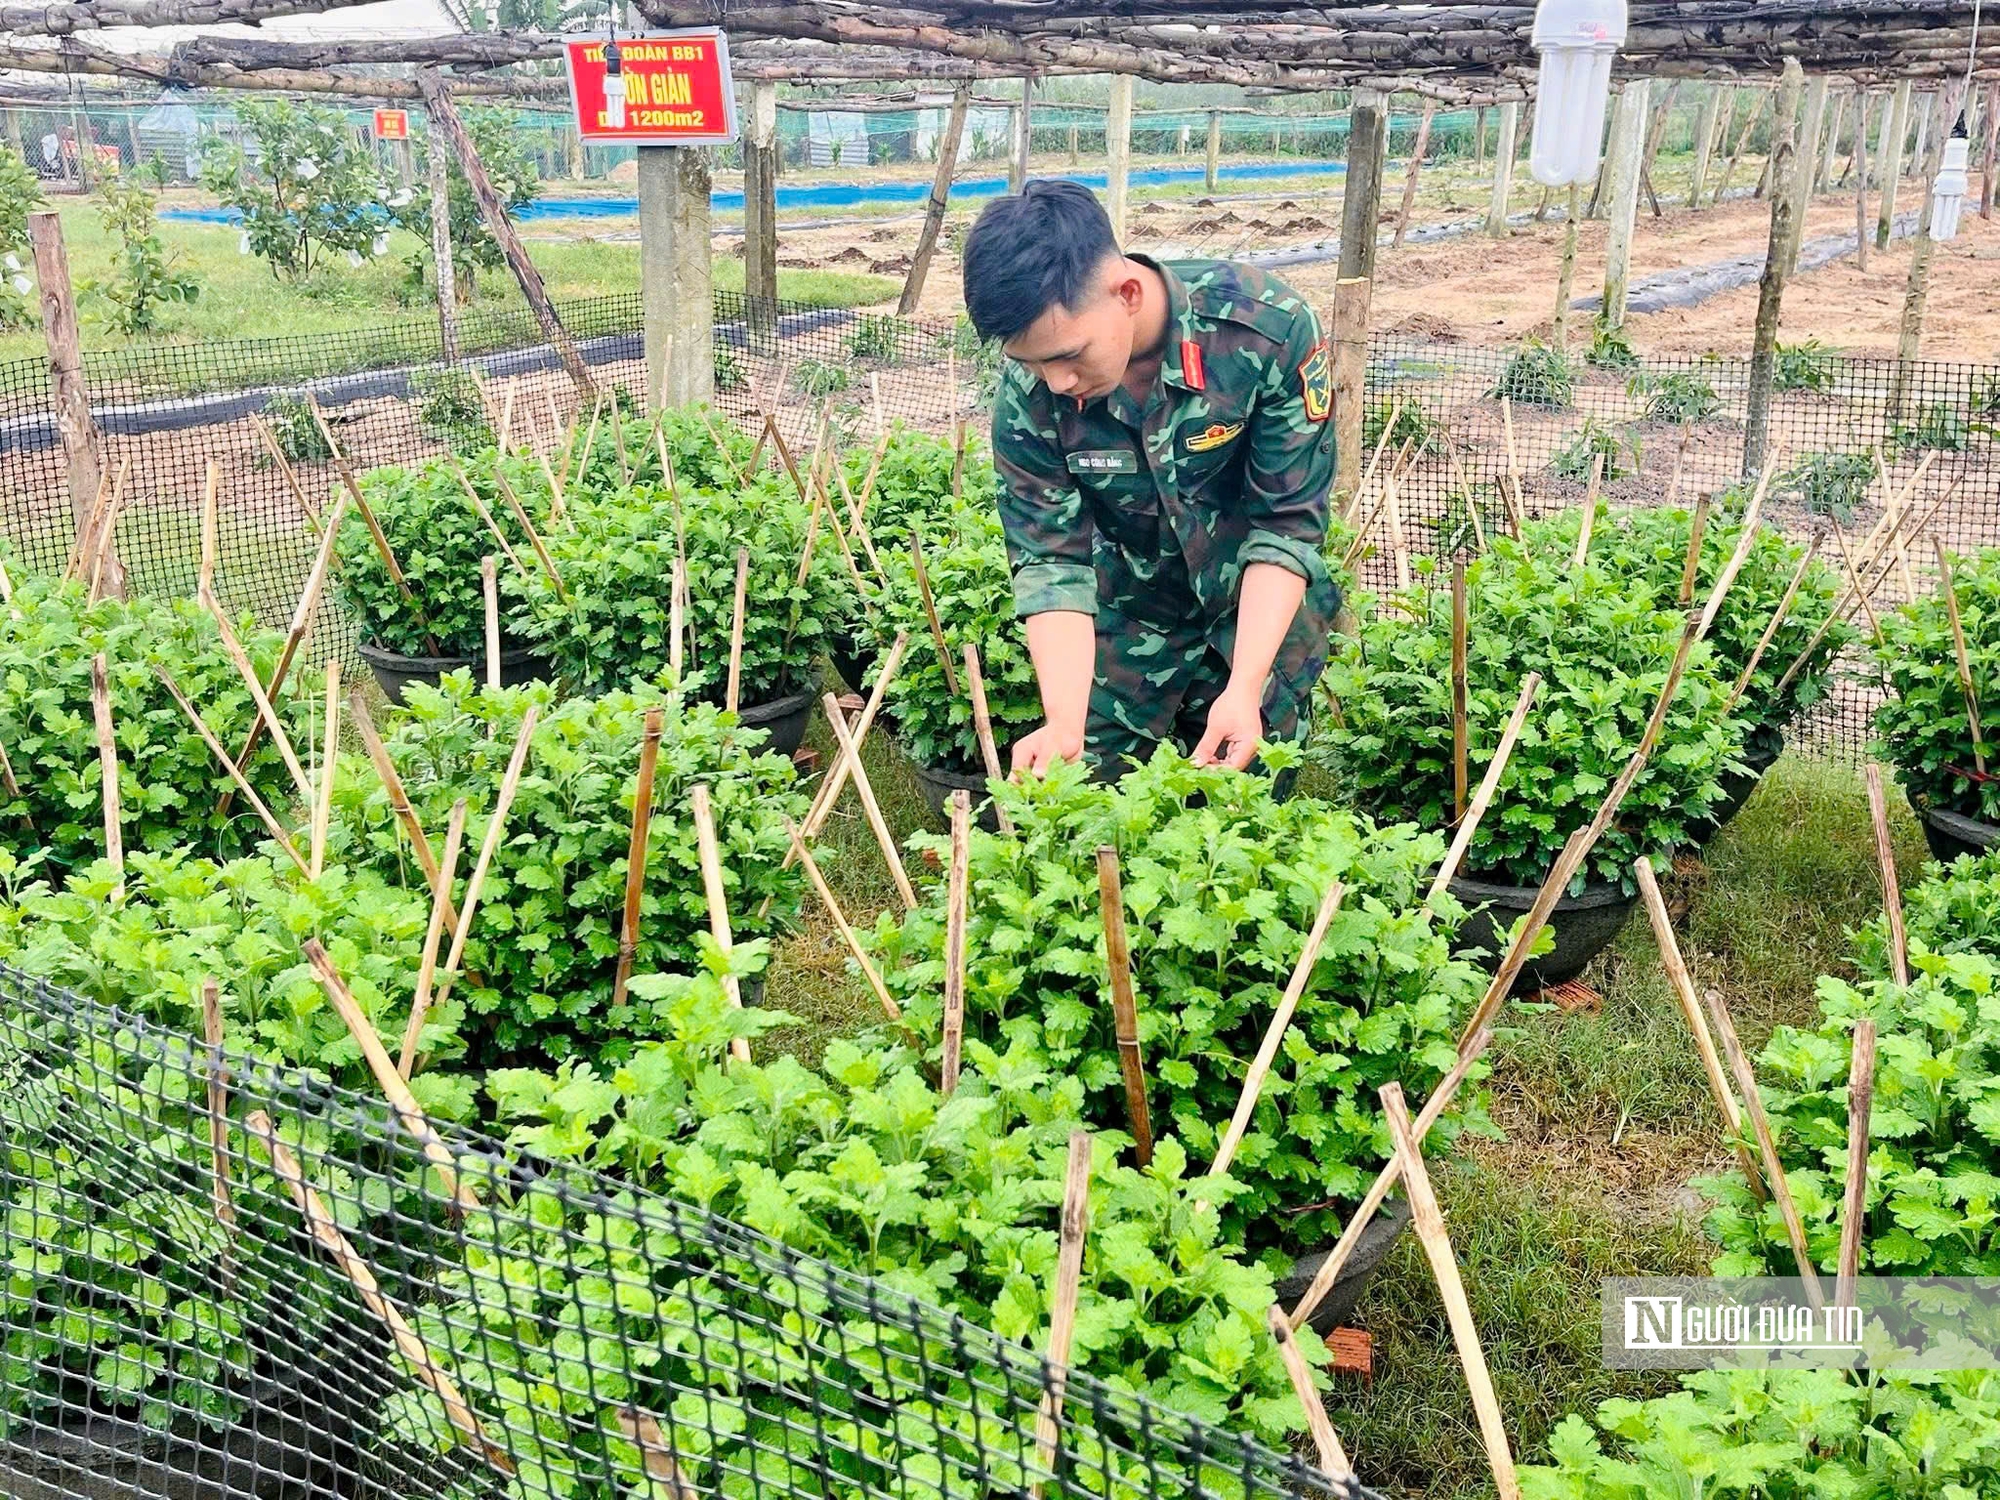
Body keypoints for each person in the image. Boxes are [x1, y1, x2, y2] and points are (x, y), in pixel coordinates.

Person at [962, 179, 1339, 784]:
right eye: (1029, 362)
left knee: (1243, 827)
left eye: (1067, 354)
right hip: (1130, 621)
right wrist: (1063, 721)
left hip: (1258, 616)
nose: (1055, 381)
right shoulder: (1032, 393)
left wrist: (1244, 689)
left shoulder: (1265, 330)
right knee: (1090, 816)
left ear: (1127, 293)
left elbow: (1286, 523)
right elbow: (1051, 560)